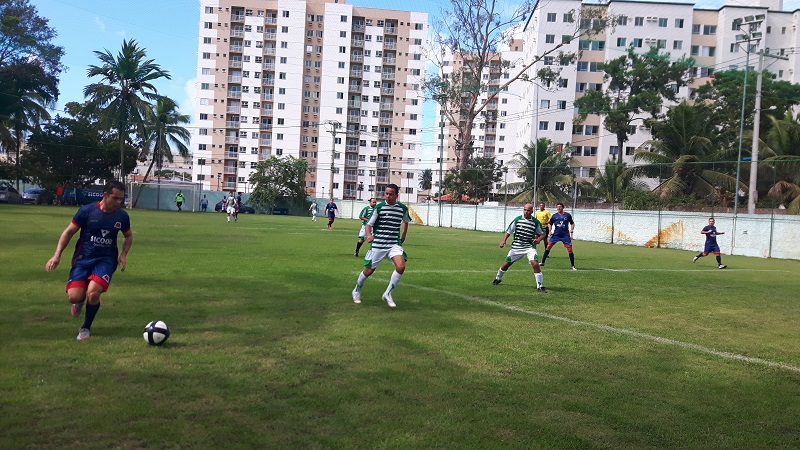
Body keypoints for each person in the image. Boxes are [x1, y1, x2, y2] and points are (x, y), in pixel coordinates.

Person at [45, 180, 133, 340]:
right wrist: (57, 254)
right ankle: (78, 301)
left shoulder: (122, 216)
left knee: (93, 293)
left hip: (106, 259)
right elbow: (68, 232)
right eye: (115, 198)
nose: (119, 202)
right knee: (74, 296)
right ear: (105, 195)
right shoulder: (87, 211)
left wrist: (123, 254)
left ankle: (86, 327)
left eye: (121, 199)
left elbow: (128, 235)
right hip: (83, 258)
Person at [351, 184, 410, 308]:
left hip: (394, 243)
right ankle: (356, 290)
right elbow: (368, 224)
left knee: (401, 266)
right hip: (378, 244)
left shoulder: (402, 208)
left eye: (391, 194)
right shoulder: (379, 208)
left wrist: (403, 234)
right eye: (386, 194)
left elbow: (406, 221)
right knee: (369, 270)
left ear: (396, 195)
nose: (387, 196)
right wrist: (368, 235)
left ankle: (388, 294)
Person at [492, 203, 547, 292]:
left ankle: (540, 286)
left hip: (529, 247)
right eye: (525, 210)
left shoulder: (535, 222)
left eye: (528, 210)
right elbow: (509, 231)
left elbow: (543, 234)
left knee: (535, 264)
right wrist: (503, 240)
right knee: (506, 264)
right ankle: (498, 278)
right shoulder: (518, 220)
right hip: (517, 247)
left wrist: (538, 240)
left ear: (532, 211)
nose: (526, 212)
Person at [540, 202, 576, 270]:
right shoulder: (554, 216)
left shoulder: (567, 215)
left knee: (570, 250)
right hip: (556, 235)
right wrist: (550, 231)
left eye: (560, 207)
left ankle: (573, 266)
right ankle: (542, 262)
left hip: (565, 235)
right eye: (557, 207)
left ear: (563, 208)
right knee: (548, 247)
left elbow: (572, 223)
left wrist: (572, 229)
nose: (558, 208)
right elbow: (550, 224)